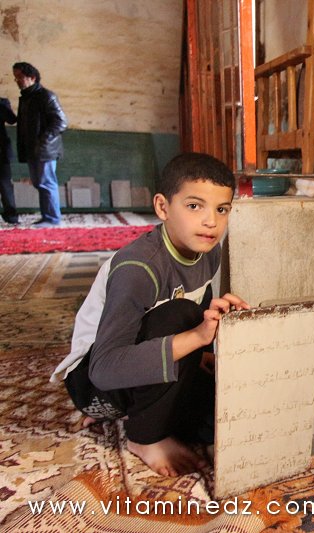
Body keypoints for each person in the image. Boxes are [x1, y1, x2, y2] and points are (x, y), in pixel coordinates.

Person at [50, 152, 249, 476]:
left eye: (222, 209)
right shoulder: (138, 268)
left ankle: (152, 415)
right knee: (182, 315)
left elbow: (197, 309)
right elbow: (104, 368)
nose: (211, 221)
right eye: (194, 206)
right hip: (96, 383)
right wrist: (198, 335)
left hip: (142, 376)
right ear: (162, 207)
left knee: (223, 420)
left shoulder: (207, 252)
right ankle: (144, 437)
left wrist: (202, 345)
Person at [12, 62, 68, 228]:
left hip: (45, 150)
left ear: (32, 78)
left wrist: (43, 140)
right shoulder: (26, 98)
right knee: (39, 183)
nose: (18, 81)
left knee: (46, 183)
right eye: (16, 78)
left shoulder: (46, 96)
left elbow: (61, 122)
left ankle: (52, 219)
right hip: (32, 150)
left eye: (20, 77)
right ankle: (47, 217)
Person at [0, 96, 17, 224]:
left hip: (1, 150)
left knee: (5, 184)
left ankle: (11, 216)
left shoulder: (2, 102)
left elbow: (12, 119)